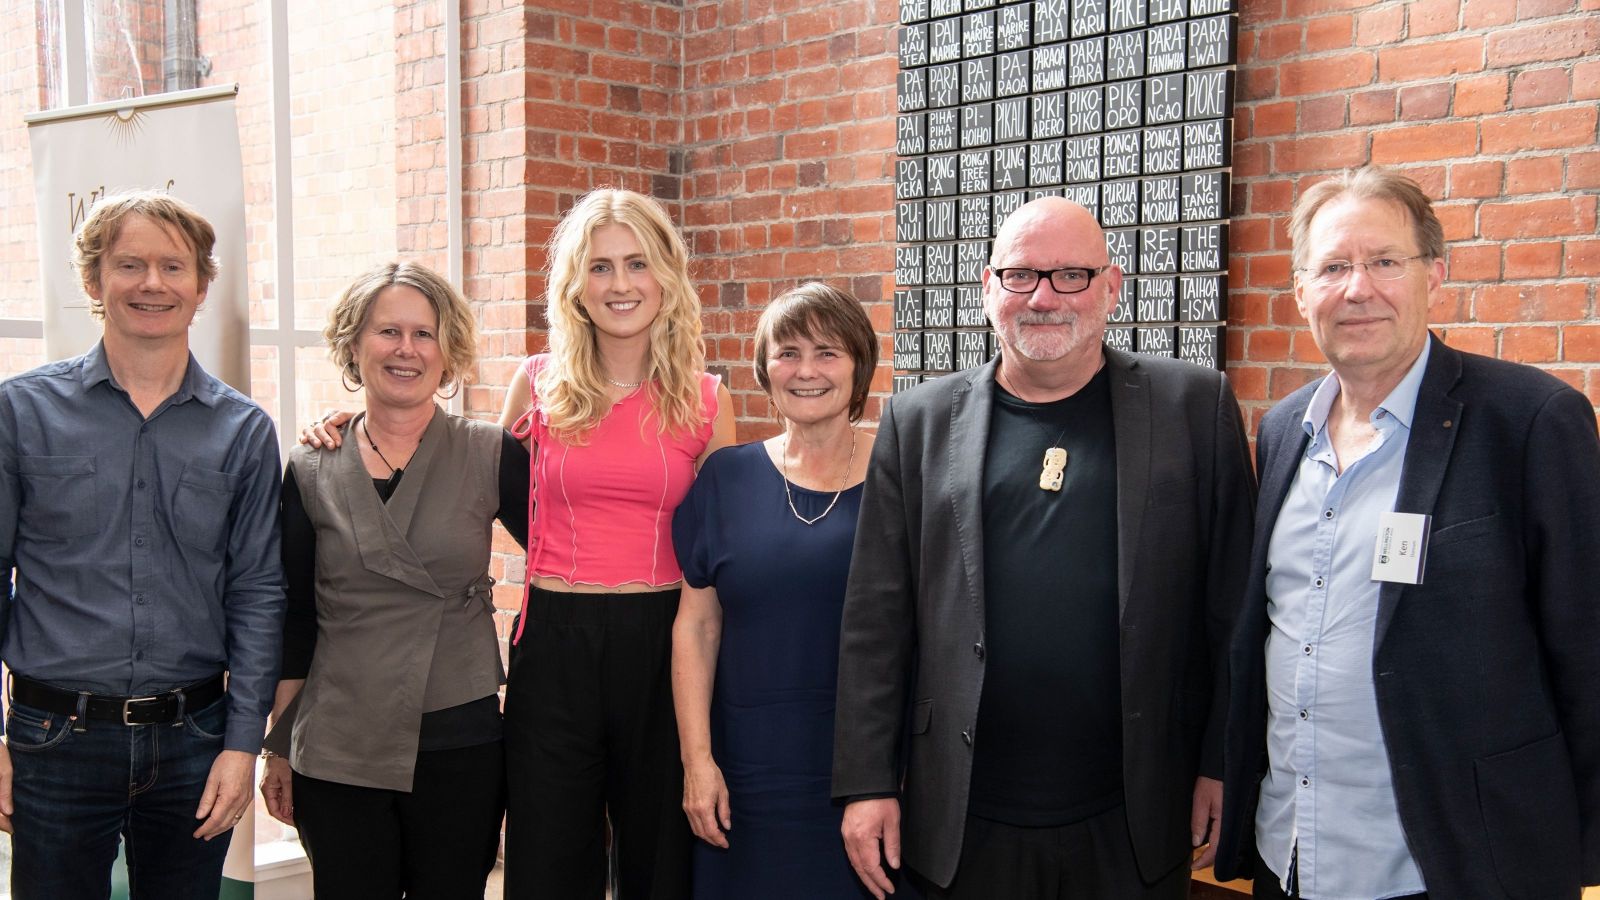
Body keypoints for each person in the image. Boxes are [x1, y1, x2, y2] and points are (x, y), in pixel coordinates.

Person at [833, 196, 1256, 899]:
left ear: (1112, 288)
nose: (1044, 297)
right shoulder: (918, 422)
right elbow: (876, 621)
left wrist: (1221, 761)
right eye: (1021, 275)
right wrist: (867, 782)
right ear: (988, 288)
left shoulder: (1195, 408)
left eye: (1071, 276)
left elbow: (1232, 609)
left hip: (1133, 814)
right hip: (964, 816)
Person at [1214, 166, 1600, 899]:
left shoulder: (1529, 423)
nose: (1357, 289)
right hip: (1290, 856)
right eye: (1332, 267)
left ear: (1436, 276)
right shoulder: (1281, 429)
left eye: (1384, 261)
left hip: (1457, 866)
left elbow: (1587, 654)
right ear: (1300, 293)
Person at [0, 191, 284, 898]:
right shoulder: (21, 412)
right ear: (93, 281)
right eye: (129, 265)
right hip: (51, 738)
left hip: (194, 738)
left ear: (201, 286)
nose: (152, 283)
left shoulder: (244, 431)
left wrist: (242, 741)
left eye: (172, 266)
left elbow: (256, 593)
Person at [257, 262, 529, 898]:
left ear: (447, 350)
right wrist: (278, 748)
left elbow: (566, 557)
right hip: (338, 739)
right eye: (387, 332)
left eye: (424, 334)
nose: (406, 350)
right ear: (355, 344)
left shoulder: (490, 453)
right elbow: (294, 617)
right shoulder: (310, 464)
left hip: (458, 736)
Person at [501, 188, 734, 898]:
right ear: (575, 284)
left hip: (662, 639)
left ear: (665, 276)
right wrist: (352, 423)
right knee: (547, 857)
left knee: (661, 862)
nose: (621, 284)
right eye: (599, 267)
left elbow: (719, 547)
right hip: (554, 637)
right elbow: (499, 494)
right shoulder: (536, 383)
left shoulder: (706, 399)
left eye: (637, 264)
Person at [671, 283, 881, 899]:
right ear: (765, 369)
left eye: (827, 352)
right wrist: (697, 762)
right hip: (747, 771)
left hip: (866, 771)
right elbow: (696, 626)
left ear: (858, 366)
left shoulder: (904, 474)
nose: (806, 370)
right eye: (787, 353)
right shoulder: (726, 478)